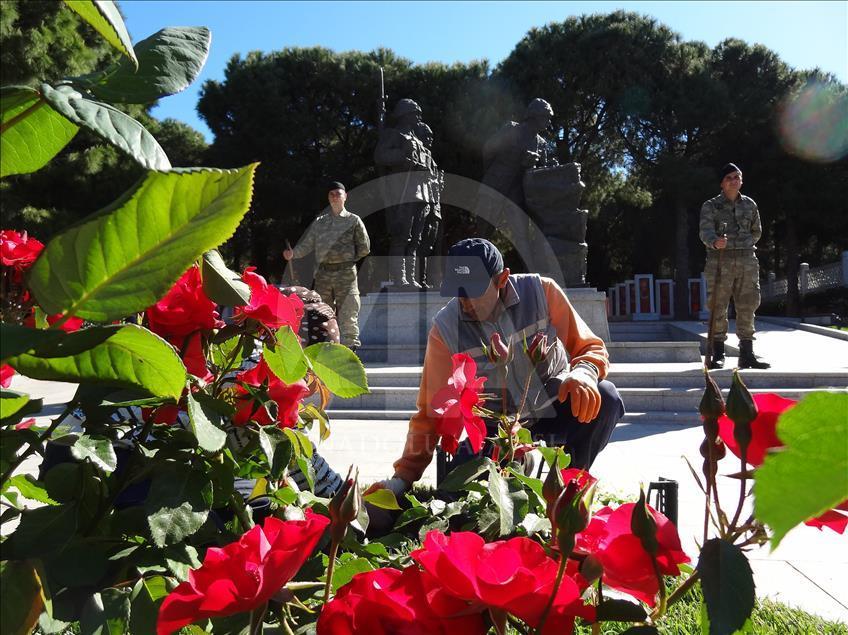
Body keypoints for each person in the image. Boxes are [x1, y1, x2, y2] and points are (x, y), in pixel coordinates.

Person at [366, 238, 625, 503]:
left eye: (475, 291)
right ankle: (522, 462)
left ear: (502, 280)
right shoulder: (445, 328)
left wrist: (583, 373)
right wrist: (402, 478)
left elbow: (590, 347)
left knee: (606, 397)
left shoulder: (542, 292)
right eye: (459, 291)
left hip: (553, 405)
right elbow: (430, 411)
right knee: (457, 492)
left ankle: (570, 489)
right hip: (496, 429)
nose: (465, 302)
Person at [699, 163, 770, 369]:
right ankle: (718, 353)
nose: (733, 180)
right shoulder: (711, 206)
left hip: (747, 260)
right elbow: (705, 232)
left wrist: (744, 244)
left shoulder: (750, 204)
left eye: (737, 177)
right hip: (720, 260)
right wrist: (714, 241)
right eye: (729, 177)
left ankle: (747, 354)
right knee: (718, 306)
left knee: (748, 305)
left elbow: (757, 231)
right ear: (722, 183)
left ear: (742, 181)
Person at [284, 182, 370, 350]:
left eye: (338, 193)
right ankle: (327, 350)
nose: (335, 197)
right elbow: (307, 245)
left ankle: (350, 351)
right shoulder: (319, 222)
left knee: (348, 312)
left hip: (346, 273)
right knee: (322, 313)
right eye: (331, 194)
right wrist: (293, 253)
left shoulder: (353, 220)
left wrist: (347, 259)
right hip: (323, 274)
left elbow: (365, 247)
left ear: (345, 196)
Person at [478, 98, 557, 270]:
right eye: (546, 117)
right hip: (494, 186)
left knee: (522, 236)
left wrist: (531, 165)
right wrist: (492, 174)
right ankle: (474, 271)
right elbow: (488, 150)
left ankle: (532, 273)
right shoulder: (511, 130)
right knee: (483, 231)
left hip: (516, 194)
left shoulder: (542, 144)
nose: (549, 121)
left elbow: (540, 175)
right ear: (535, 116)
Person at [374, 98, 434, 289]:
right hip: (404, 190)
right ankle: (400, 279)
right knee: (401, 236)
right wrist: (404, 159)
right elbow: (381, 156)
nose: (418, 118)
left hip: (420, 192)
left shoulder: (417, 139)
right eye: (415, 114)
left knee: (415, 239)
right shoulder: (394, 134)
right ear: (405, 115)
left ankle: (411, 277)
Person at [414, 122, 445, 289]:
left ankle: (423, 279)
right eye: (426, 136)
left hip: (434, 207)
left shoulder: (430, 158)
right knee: (416, 242)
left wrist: (439, 183)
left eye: (431, 137)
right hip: (422, 203)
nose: (430, 140)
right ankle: (415, 278)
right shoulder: (418, 155)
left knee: (428, 245)